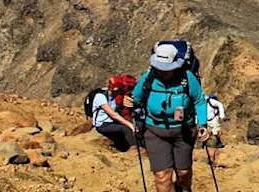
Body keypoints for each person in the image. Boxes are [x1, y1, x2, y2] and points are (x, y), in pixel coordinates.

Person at [128, 42, 210, 192]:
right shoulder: (148, 79)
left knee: (183, 173)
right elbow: (136, 99)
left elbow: (199, 101)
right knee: (162, 175)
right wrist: (129, 103)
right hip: (154, 132)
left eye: (167, 69)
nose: (163, 72)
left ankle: (184, 189)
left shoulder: (188, 79)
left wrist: (203, 124)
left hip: (183, 132)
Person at [90, 86, 138, 152]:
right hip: (102, 124)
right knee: (125, 129)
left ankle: (128, 146)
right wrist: (129, 124)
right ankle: (134, 149)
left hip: (111, 121)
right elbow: (113, 114)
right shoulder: (100, 96)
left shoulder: (114, 97)